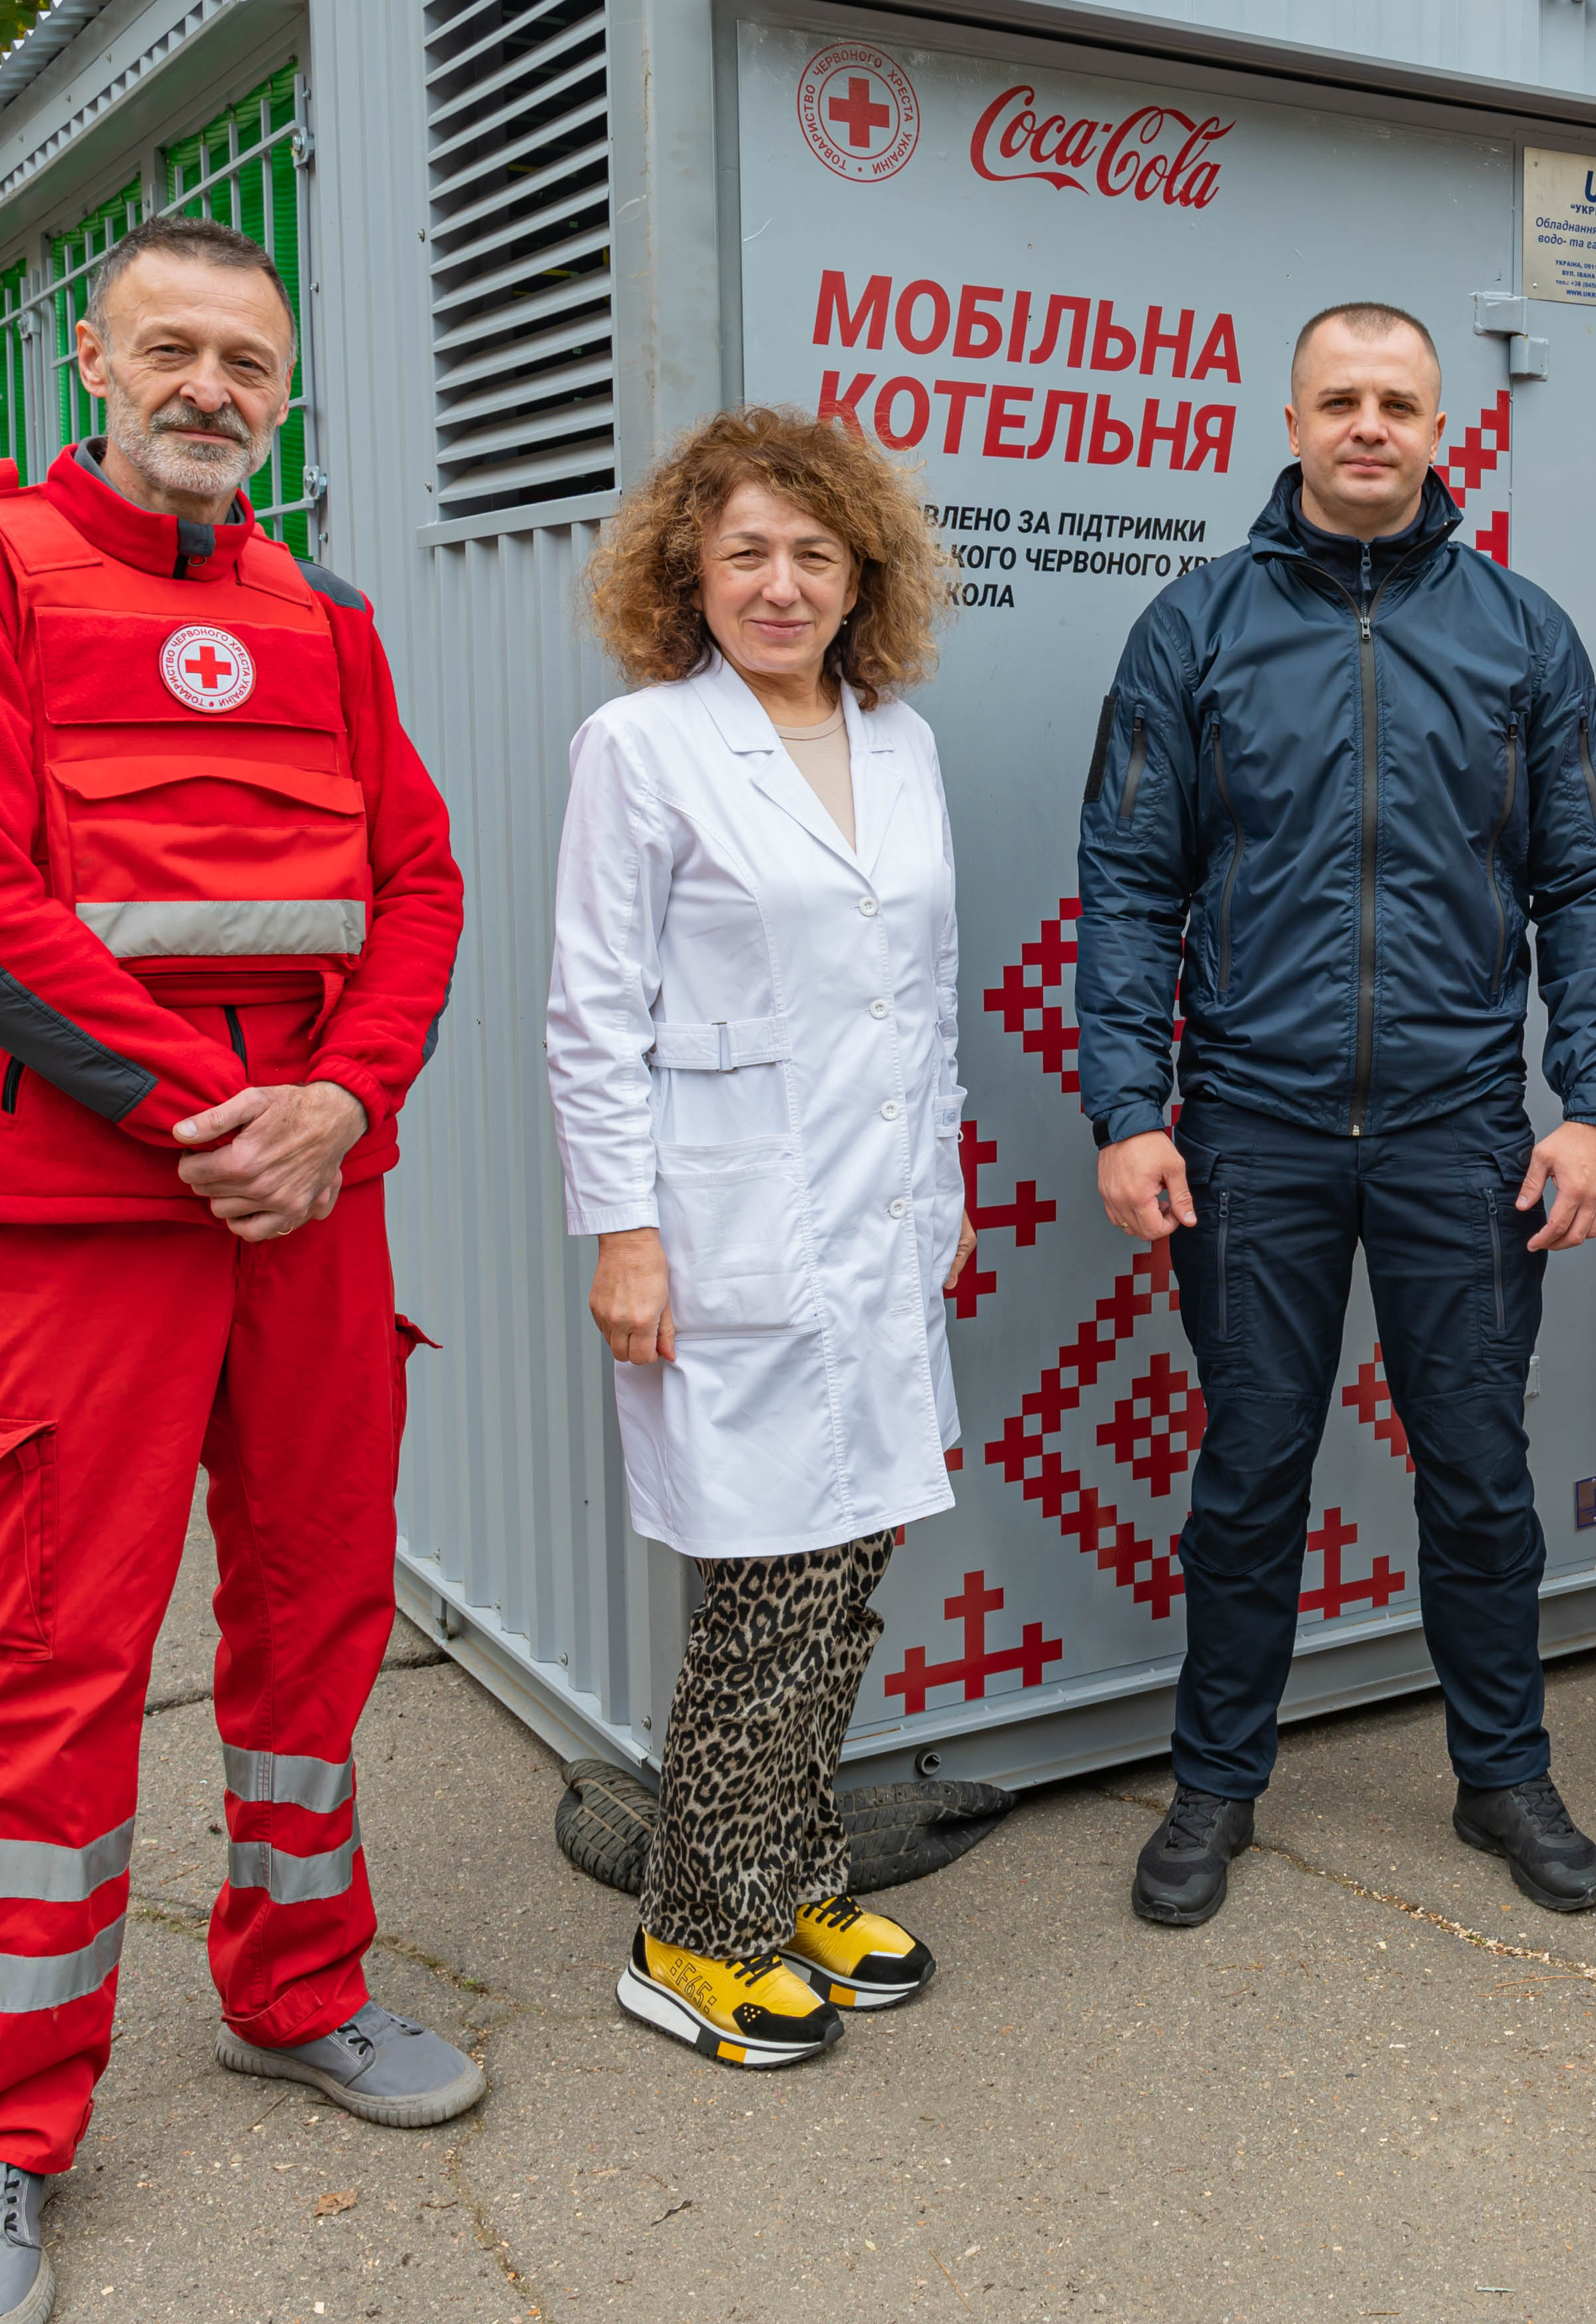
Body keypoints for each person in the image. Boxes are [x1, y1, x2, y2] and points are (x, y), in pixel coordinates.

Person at [0, 216, 476, 2324]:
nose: (211, 387)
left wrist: (342, 1108)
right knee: (53, 1661)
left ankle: (295, 1992)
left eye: (250, 360)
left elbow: (418, 881)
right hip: (91, 1229)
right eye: (173, 351)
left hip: (313, 1212)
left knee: (313, 1627)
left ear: (284, 396)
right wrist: (208, 1117)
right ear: (94, 370)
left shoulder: (327, 615)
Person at [1077, 302, 1596, 1928]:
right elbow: (1127, 884)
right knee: (1251, 1464)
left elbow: (1587, 882)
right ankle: (1214, 1783)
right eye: (1343, 399)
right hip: (1250, 1126)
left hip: (1463, 1126)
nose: (1371, 425)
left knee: (1477, 1468)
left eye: (1399, 400)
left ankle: (1505, 1772)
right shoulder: (1194, 629)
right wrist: (1131, 1104)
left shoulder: (1523, 635)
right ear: (1294, 412)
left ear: (1440, 420)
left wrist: (1593, 1103)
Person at [546, 407, 974, 2071]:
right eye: (747, 554)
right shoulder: (642, 749)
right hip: (724, 1221)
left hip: (877, 1218)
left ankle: (789, 1869)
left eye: (813, 552)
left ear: (861, 569)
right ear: (691, 573)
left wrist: (932, 1195)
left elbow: (925, 994)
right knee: (770, 1587)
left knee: (850, 1559)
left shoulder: (900, 738)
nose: (781, 584)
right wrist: (625, 1235)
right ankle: (690, 1932)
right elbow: (594, 1016)